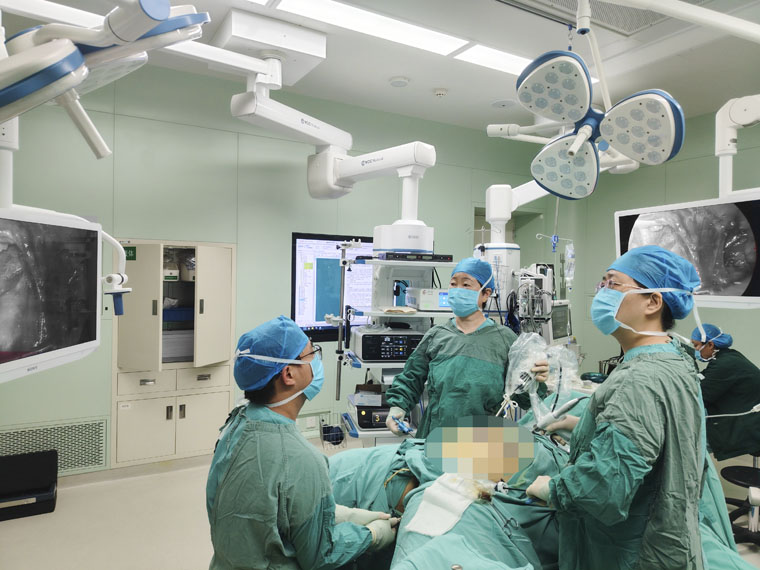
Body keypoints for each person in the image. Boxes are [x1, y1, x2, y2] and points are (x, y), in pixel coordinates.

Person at [526, 245, 707, 569]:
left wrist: (553, 488)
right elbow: (654, 438)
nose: (602, 293)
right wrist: (580, 425)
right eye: (602, 283)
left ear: (653, 302)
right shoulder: (674, 359)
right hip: (669, 539)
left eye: (613, 284)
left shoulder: (639, 379)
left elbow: (605, 485)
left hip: (633, 553)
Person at [206, 315, 397, 570]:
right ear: (289, 374)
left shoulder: (235, 424)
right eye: (311, 353)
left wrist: (339, 515)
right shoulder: (302, 460)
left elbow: (263, 508)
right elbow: (320, 555)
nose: (316, 360)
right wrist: (371, 535)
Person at [384, 257, 548, 438]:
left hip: (483, 441)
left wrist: (535, 380)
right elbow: (411, 378)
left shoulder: (506, 340)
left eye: (466, 284)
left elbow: (525, 398)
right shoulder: (436, 336)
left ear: (485, 294)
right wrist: (397, 408)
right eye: (453, 284)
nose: (457, 290)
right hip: (435, 436)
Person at [692, 323, 760, 460]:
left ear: (710, 344)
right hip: (749, 419)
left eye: (696, 345)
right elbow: (706, 377)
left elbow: (700, 398)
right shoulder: (729, 356)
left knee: (690, 445)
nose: (696, 350)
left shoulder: (724, 364)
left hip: (746, 426)